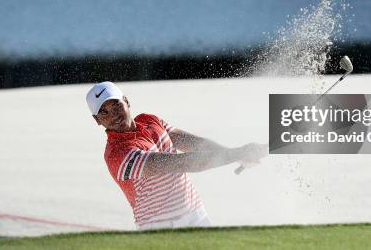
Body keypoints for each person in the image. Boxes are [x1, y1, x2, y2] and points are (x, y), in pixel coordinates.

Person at [86, 81, 268, 230]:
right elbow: (181, 163)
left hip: (196, 216)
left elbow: (196, 144)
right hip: (159, 230)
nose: (114, 114)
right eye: (104, 112)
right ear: (97, 120)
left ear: (126, 101)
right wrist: (238, 153)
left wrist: (236, 155)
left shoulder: (150, 120)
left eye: (116, 104)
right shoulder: (117, 153)